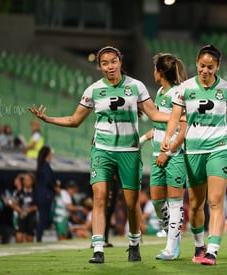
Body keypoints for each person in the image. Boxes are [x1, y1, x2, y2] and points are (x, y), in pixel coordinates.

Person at [28, 46, 172, 264]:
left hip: (129, 150)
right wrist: (49, 120)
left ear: (120, 62)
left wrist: (178, 116)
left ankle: (134, 243)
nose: (109, 67)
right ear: (100, 66)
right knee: (100, 196)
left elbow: (152, 113)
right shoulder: (93, 90)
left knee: (132, 203)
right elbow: (75, 120)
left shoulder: (136, 86)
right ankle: (97, 248)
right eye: (104, 63)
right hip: (102, 150)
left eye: (113, 61)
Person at [161, 44, 227, 265]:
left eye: (210, 67)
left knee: (215, 201)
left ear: (217, 66)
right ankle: (199, 244)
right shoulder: (184, 88)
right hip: (193, 151)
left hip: (219, 149)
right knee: (195, 205)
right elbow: (175, 117)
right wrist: (169, 136)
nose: (205, 70)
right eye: (202, 66)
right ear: (196, 64)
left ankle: (212, 250)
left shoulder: (226, 89)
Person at [139, 52, 188, 260]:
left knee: (175, 202)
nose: (153, 72)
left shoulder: (178, 93)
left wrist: (167, 153)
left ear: (160, 72)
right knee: (158, 202)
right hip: (157, 154)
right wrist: (143, 138)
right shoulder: (160, 91)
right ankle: (172, 235)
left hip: (174, 155)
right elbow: (163, 124)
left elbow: (183, 126)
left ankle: (171, 248)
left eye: (154, 69)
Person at [35, 146, 57, 242]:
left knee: (42, 217)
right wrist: (55, 186)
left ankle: (39, 237)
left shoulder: (41, 166)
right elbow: (48, 181)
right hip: (45, 196)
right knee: (43, 217)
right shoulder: (45, 166)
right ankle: (38, 238)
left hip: (41, 195)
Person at [13, 172, 37, 243]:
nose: (25, 182)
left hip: (31, 217)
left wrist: (29, 209)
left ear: (32, 181)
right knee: (19, 236)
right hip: (21, 218)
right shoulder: (19, 192)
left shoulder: (36, 192)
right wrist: (20, 210)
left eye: (28, 180)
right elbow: (15, 204)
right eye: (24, 180)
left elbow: (39, 205)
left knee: (29, 238)